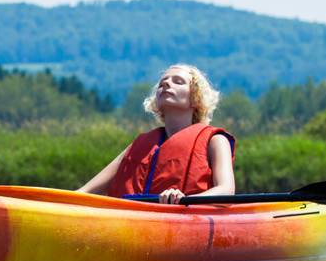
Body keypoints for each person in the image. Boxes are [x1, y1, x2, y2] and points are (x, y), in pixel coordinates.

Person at [76, 64, 236, 203]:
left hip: (187, 219)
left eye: (178, 82)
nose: (166, 84)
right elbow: (86, 191)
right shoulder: (137, 147)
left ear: (196, 97)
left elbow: (226, 189)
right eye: (162, 83)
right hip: (131, 223)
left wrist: (185, 200)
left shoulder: (215, 141)